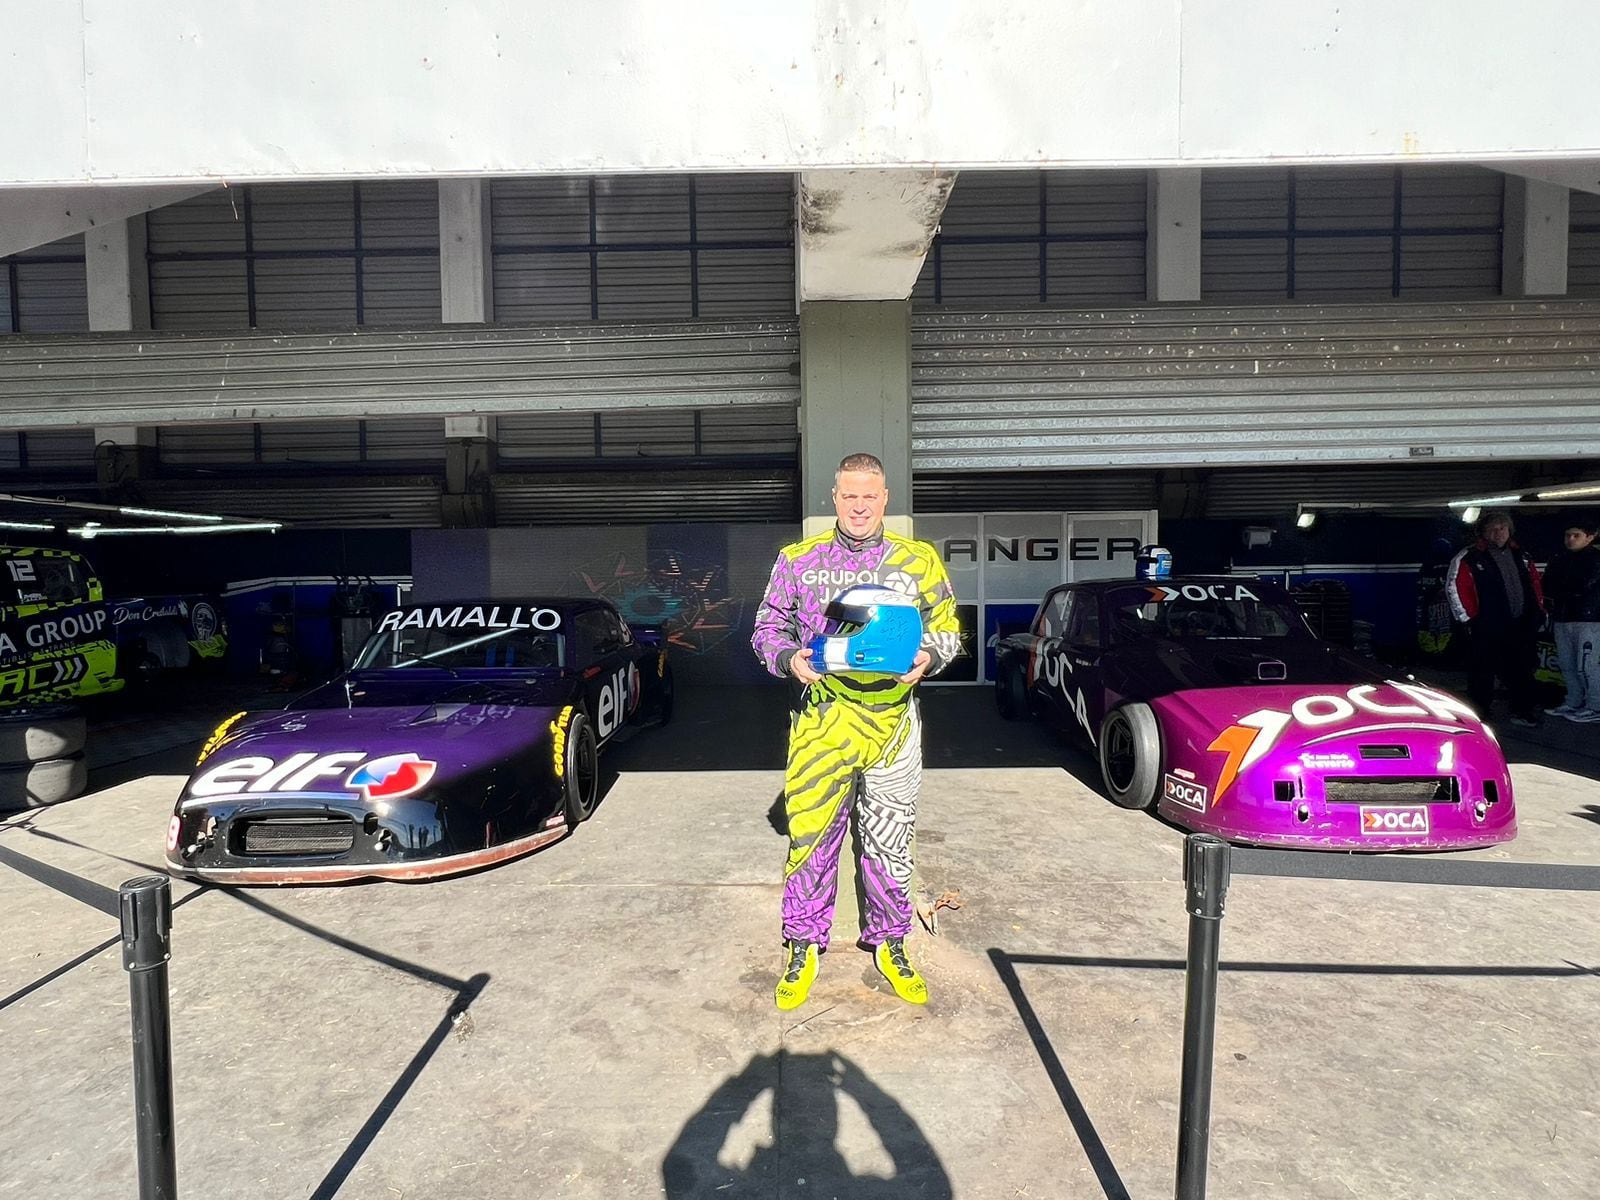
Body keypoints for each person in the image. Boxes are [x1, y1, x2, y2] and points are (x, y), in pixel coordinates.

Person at [752, 452, 960, 1010]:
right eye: (849, 496)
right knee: (811, 840)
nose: (860, 505)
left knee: (890, 843)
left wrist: (930, 658)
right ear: (834, 498)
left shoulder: (919, 560)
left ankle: (891, 943)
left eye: (869, 495)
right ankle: (802, 944)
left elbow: (948, 628)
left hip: (894, 727)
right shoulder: (799, 560)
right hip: (822, 722)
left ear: (885, 497)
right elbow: (766, 628)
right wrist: (790, 658)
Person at [1446, 510, 1545, 726]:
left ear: (1509, 531)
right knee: (1482, 673)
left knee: (1522, 670)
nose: (1498, 533)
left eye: (1502, 528)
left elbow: (1535, 585)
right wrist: (1468, 621)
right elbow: (1455, 587)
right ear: (1483, 532)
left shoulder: (1522, 555)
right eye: (1492, 529)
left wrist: (1538, 613)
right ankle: (1479, 715)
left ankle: (1522, 711)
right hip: (1485, 627)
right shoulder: (1469, 557)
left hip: (1520, 625)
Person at [1541, 514, 1600, 722]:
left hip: (1589, 619)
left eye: (1576, 535)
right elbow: (1546, 584)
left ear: (1590, 537)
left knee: (1587, 665)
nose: (1571, 539)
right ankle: (1574, 700)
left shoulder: (1595, 559)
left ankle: (1595, 705)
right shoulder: (1559, 559)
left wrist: (1558, 592)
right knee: (1566, 663)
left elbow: (1582, 586)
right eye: (1568, 535)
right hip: (1563, 617)